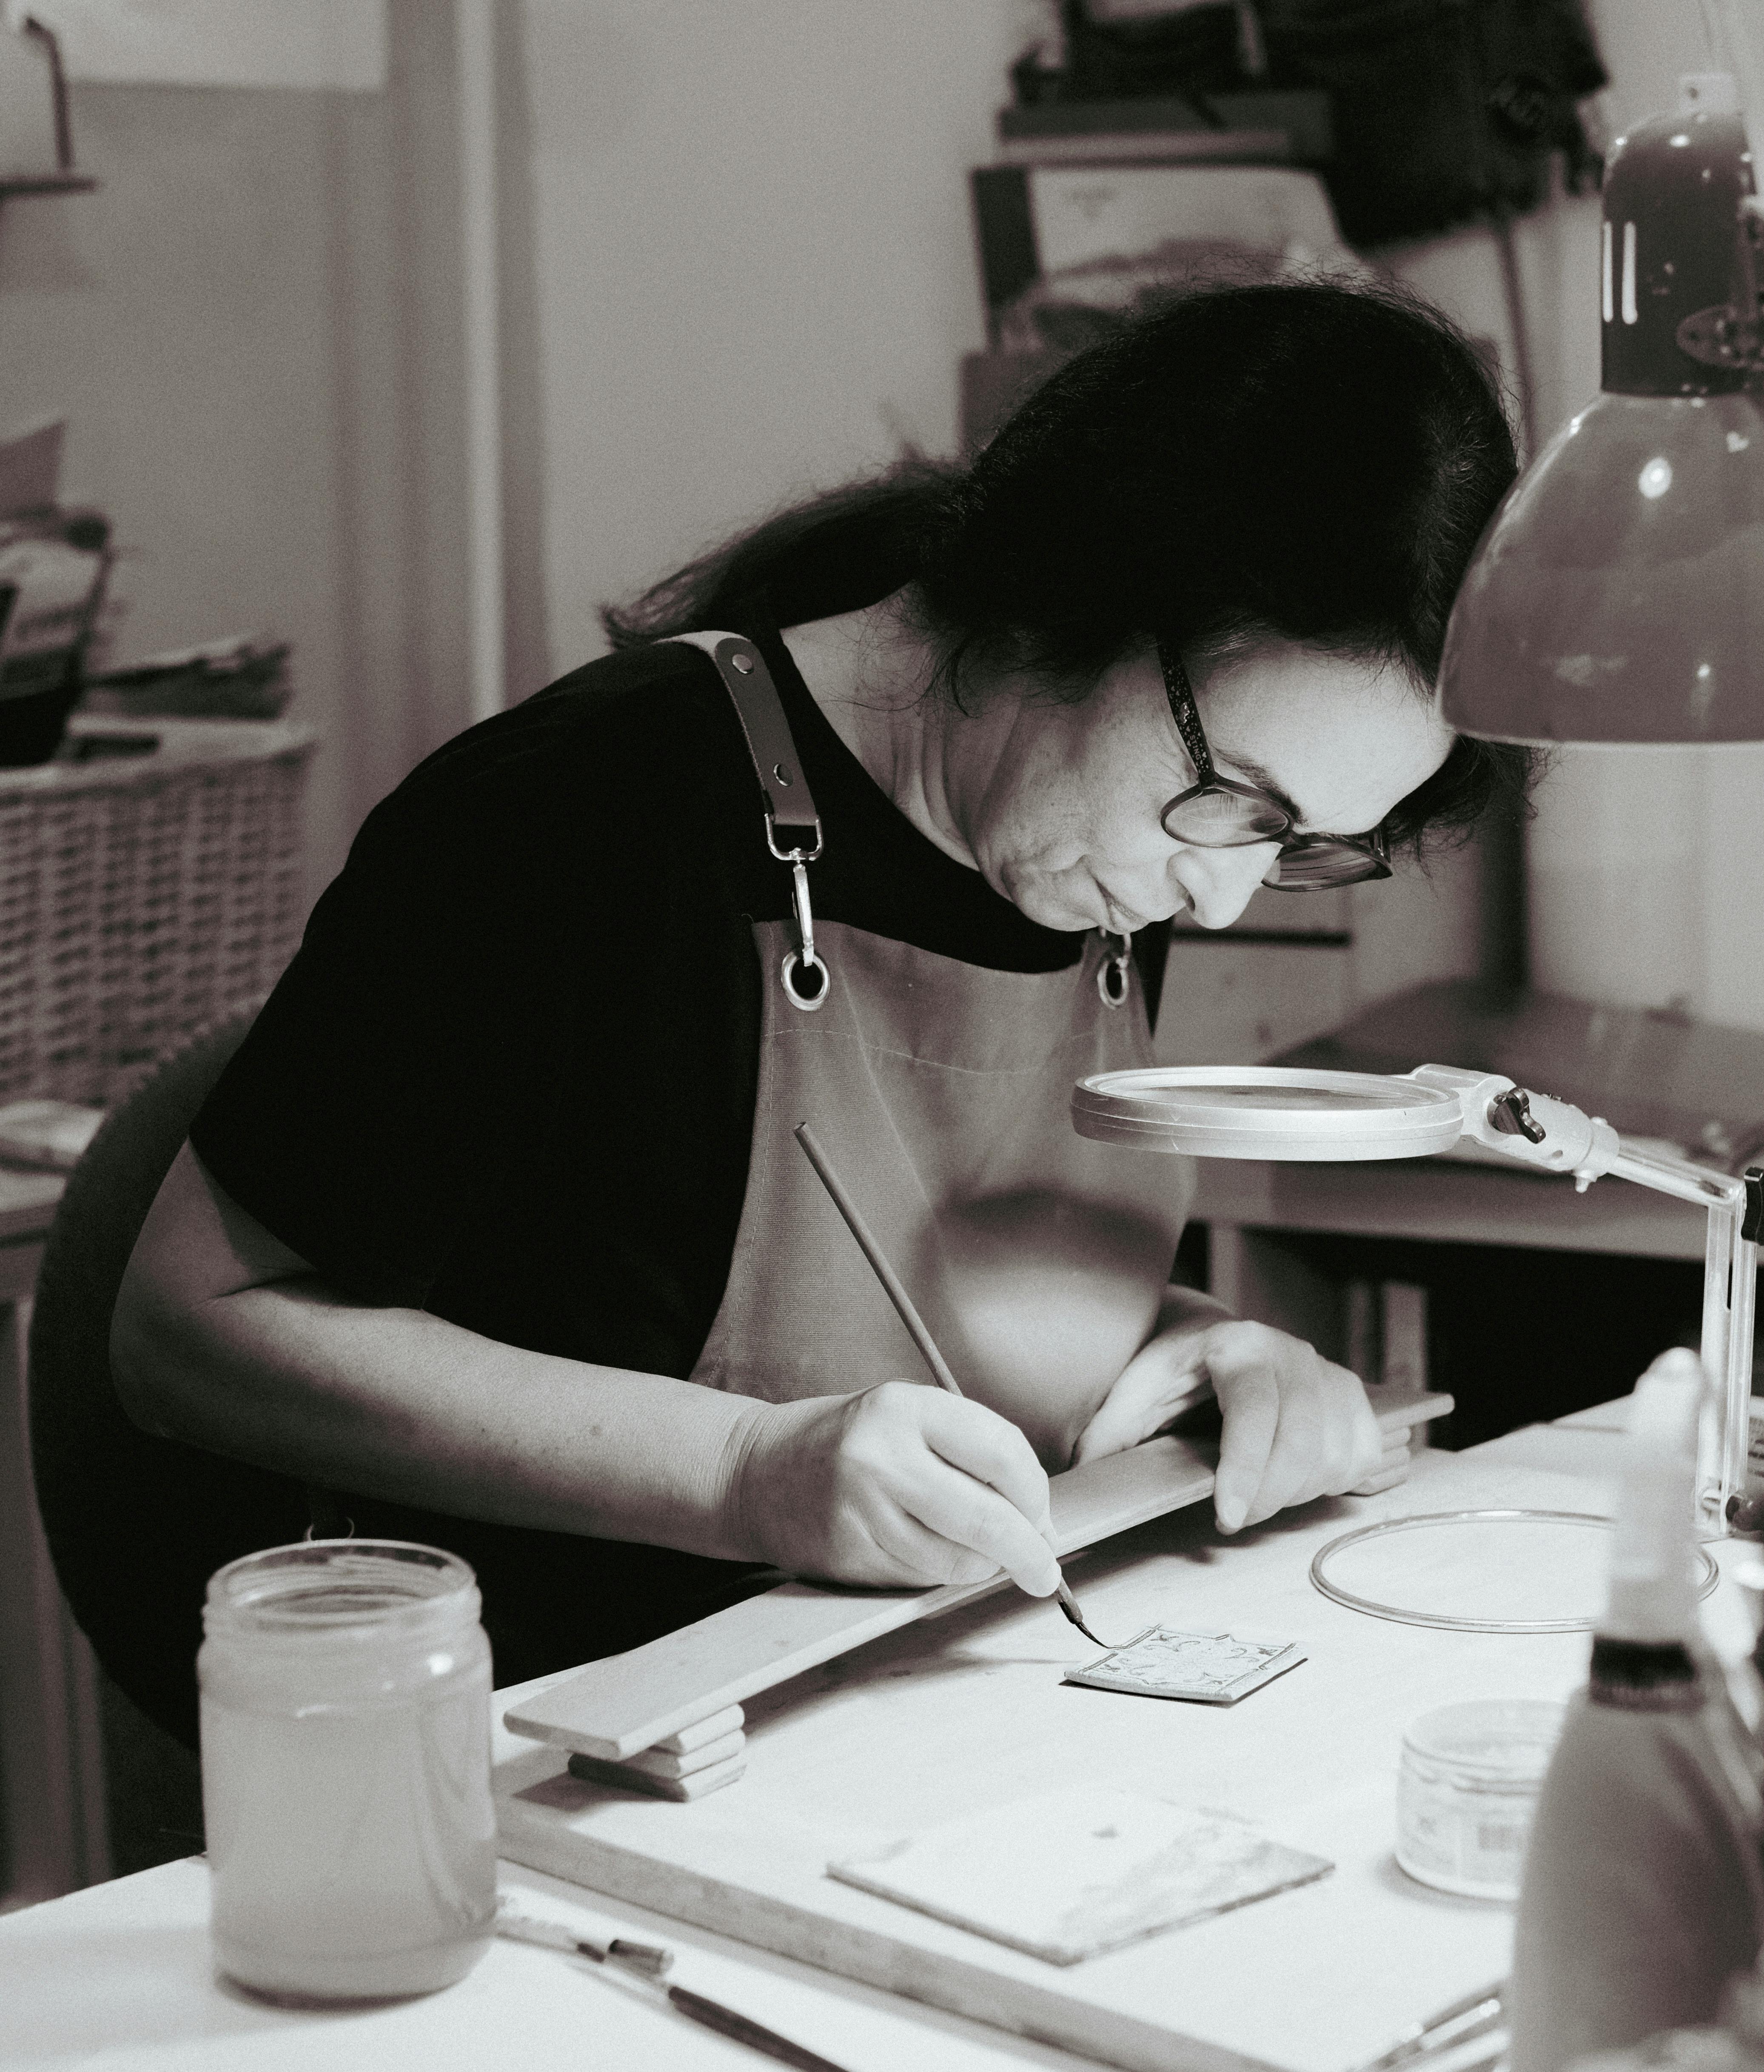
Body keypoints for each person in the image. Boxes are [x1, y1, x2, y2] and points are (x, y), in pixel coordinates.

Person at [111, 280, 1529, 1685]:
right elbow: (188, 1330)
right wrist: (743, 1471)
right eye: (1233, 797)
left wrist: (1207, 1357)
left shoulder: (1087, 848)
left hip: (937, 1690)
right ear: (1078, 596)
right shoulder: (584, 816)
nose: (1219, 896)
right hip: (558, 1732)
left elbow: (922, 1291)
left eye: (1297, 843)